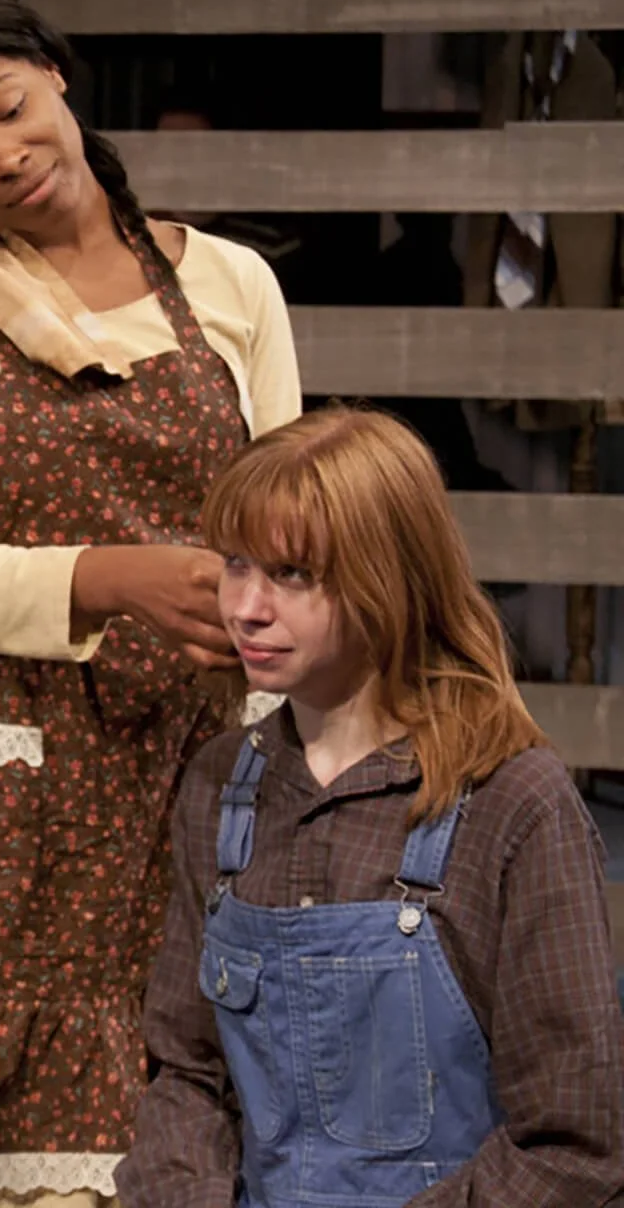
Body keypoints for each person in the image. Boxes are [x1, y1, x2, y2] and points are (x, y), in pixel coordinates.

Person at [0, 0, 301, 1206]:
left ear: (53, 75)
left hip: (198, 759)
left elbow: (287, 524)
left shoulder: (232, 283)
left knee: (188, 1101)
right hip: (3, 788)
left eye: (7, 107)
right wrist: (110, 576)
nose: (0, 155)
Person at [117, 407, 624, 1206]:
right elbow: (186, 1073)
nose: (246, 607)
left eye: (292, 574)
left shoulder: (511, 803)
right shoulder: (220, 786)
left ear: (387, 578)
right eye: (237, 564)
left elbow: (574, 1144)